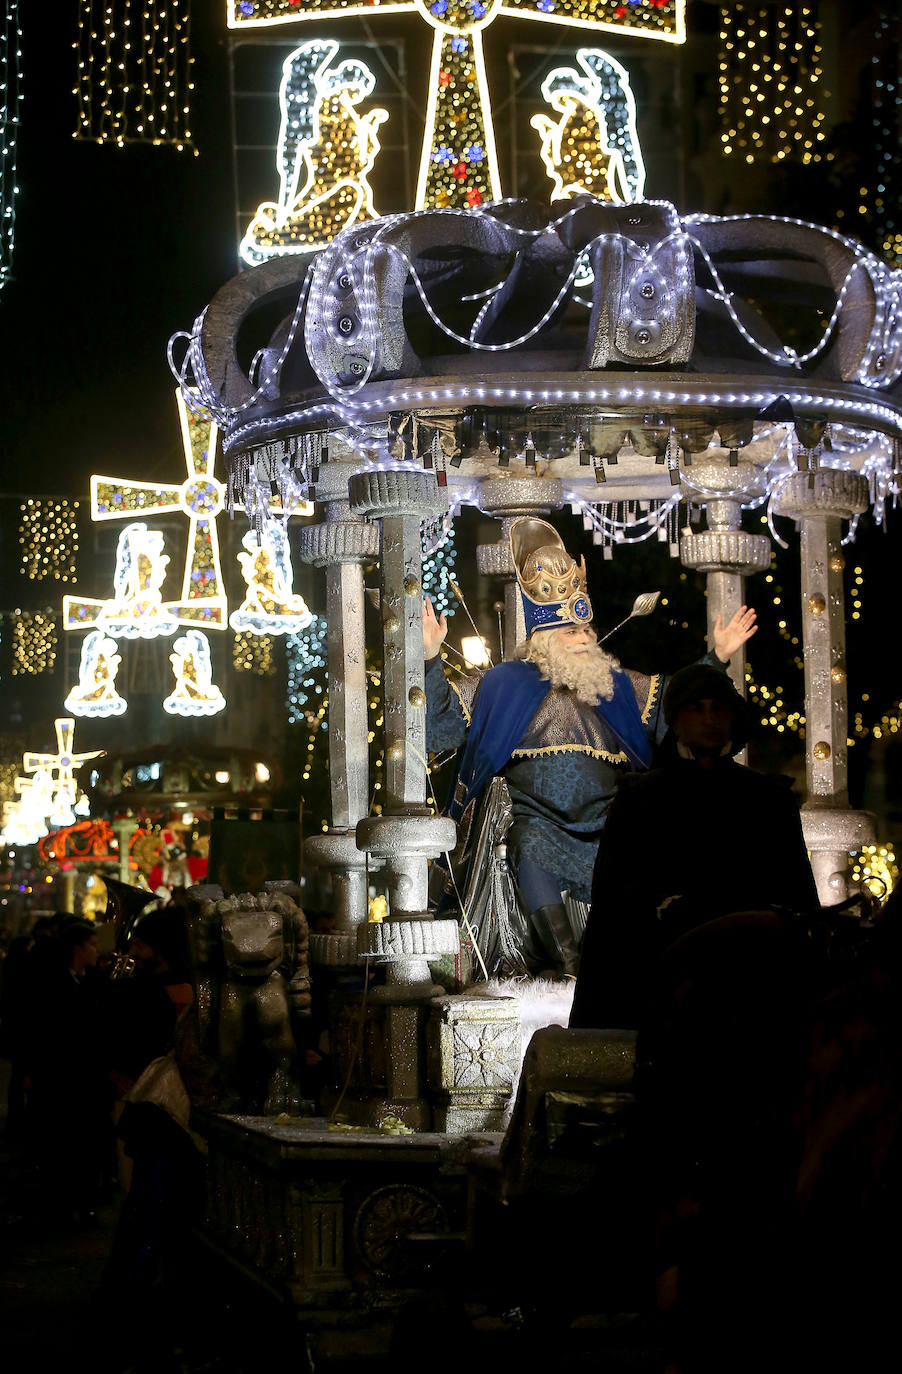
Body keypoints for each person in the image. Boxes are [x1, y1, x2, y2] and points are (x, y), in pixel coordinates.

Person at [424, 517, 756, 977]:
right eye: (571, 634)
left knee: (642, 851)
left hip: (609, 821)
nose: (583, 640)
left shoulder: (616, 685)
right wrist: (428, 659)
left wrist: (715, 658)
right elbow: (440, 729)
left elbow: (678, 708)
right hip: (535, 821)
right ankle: (570, 963)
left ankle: (630, 961)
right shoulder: (503, 684)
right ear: (544, 640)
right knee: (531, 845)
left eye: (586, 632)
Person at [569, 662, 818, 1029]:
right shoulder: (641, 799)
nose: (709, 719)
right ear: (677, 720)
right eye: (695, 708)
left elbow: (796, 895)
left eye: (718, 708)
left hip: (752, 979)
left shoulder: (768, 799)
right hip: (661, 979)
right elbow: (614, 910)